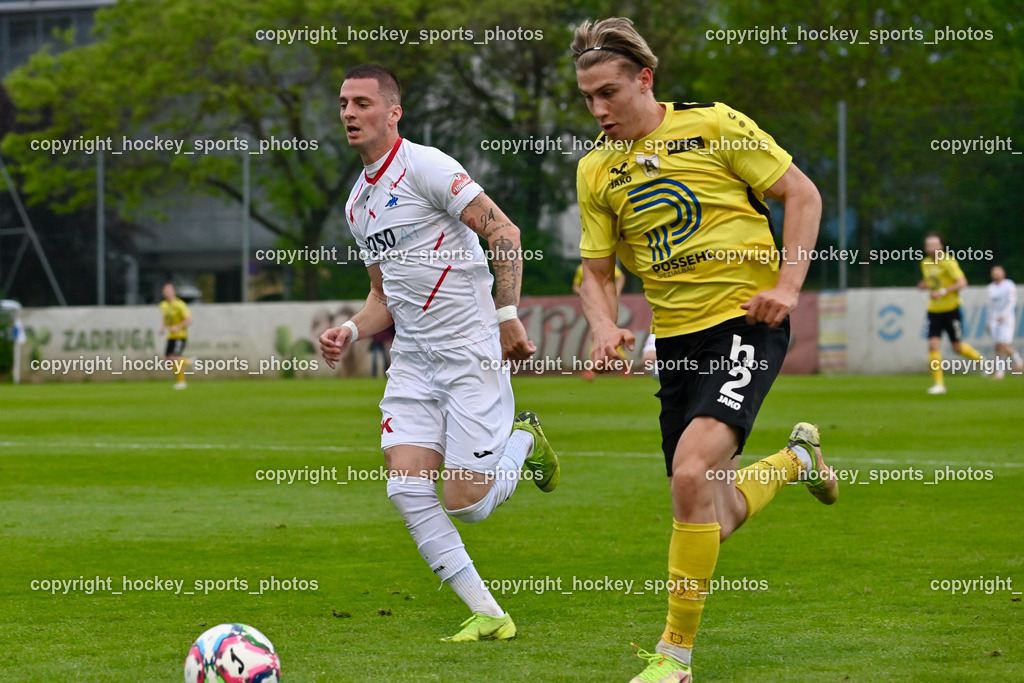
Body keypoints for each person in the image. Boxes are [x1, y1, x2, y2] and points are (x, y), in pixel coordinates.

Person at [570, 18, 838, 682]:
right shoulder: (596, 170)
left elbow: (801, 194)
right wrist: (605, 327)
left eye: (609, 93)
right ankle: (795, 460)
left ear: (644, 79)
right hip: (679, 346)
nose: (599, 110)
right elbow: (596, 275)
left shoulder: (714, 126)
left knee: (690, 474)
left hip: (747, 324)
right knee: (711, 513)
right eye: (587, 99)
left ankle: (674, 658)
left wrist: (788, 285)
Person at [318, 64, 560, 642]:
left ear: (393, 112)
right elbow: (383, 295)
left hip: (469, 352)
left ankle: (524, 440)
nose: (350, 113)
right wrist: (351, 329)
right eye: (344, 103)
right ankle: (489, 614)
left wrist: (506, 316)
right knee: (405, 488)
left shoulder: (427, 167)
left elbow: (504, 232)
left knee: (466, 503)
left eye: (363, 103)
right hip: (413, 362)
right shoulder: (358, 204)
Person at [918, 232, 984, 394]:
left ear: (941, 246)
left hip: (951, 310)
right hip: (933, 310)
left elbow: (962, 282)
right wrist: (925, 285)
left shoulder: (948, 262)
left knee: (957, 347)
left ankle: (983, 363)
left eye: (935, 245)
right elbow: (932, 281)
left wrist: (942, 291)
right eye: (929, 245)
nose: (932, 248)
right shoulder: (925, 263)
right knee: (933, 345)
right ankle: (939, 384)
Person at [573, 261, 626, 379]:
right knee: (598, 334)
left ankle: (594, 368)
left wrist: (617, 292)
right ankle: (621, 363)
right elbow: (576, 286)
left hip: (607, 302)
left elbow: (621, 277)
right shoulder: (581, 268)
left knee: (606, 334)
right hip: (593, 304)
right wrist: (585, 293)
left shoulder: (604, 264)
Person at [986, 264, 1022, 379]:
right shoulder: (991, 287)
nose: (995, 273)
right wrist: (989, 321)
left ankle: (1019, 361)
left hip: (1006, 319)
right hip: (995, 320)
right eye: (993, 271)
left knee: (1003, 344)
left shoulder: (1008, 285)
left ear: (1003, 273)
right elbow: (991, 306)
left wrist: (1005, 315)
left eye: (998, 271)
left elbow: (1012, 301)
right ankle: (1000, 372)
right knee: (998, 346)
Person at [158, 282, 191, 389]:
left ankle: (182, 381)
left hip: (180, 336)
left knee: (174, 359)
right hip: (171, 336)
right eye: (165, 290)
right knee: (168, 362)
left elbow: (189, 320)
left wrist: (178, 327)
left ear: (173, 292)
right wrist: (163, 327)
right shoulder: (163, 305)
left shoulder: (179, 305)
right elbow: (166, 318)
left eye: (169, 290)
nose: (166, 292)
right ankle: (188, 364)